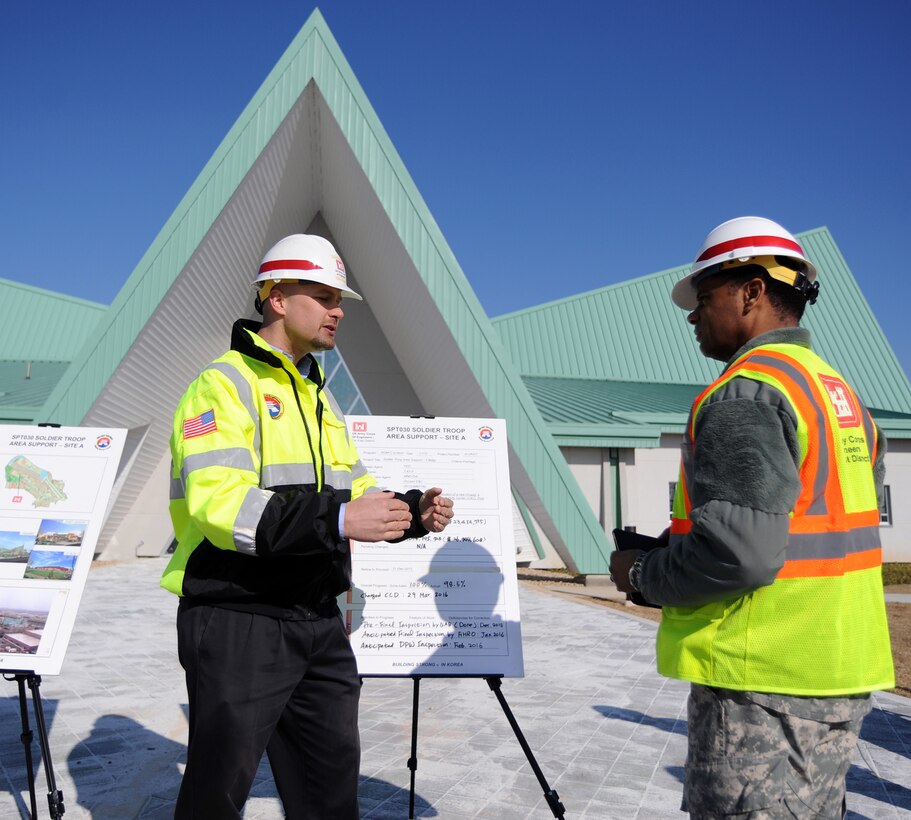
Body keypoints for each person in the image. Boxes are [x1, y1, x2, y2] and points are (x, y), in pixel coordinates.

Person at [161, 233, 454, 819]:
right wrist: (341, 517)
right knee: (216, 797)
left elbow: (355, 487)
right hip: (238, 618)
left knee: (329, 796)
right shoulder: (222, 385)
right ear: (275, 298)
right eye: (323, 296)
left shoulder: (318, 395)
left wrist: (411, 511)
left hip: (319, 620)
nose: (338, 310)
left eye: (339, 298)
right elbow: (221, 506)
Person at [610, 216, 894, 818]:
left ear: (752, 292)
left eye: (704, 297)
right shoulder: (839, 395)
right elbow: (799, 524)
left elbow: (740, 555)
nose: (692, 315)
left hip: (761, 679)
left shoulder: (747, 392)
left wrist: (642, 574)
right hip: (837, 669)